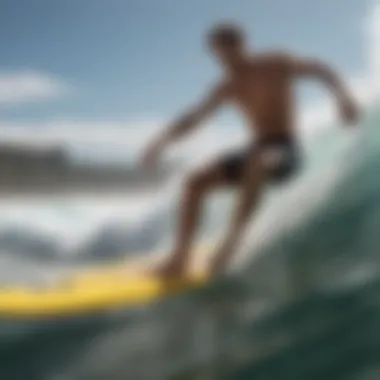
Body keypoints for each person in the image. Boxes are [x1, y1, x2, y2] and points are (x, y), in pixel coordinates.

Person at [142, 23, 359, 277]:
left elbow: (321, 69)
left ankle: (231, 245)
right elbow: (194, 119)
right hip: (257, 150)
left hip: (285, 150)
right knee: (195, 181)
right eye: (218, 52)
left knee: (258, 160)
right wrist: (161, 142)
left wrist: (343, 97)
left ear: (242, 44)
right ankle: (180, 259)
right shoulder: (226, 87)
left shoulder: (275, 63)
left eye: (229, 47)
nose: (224, 57)